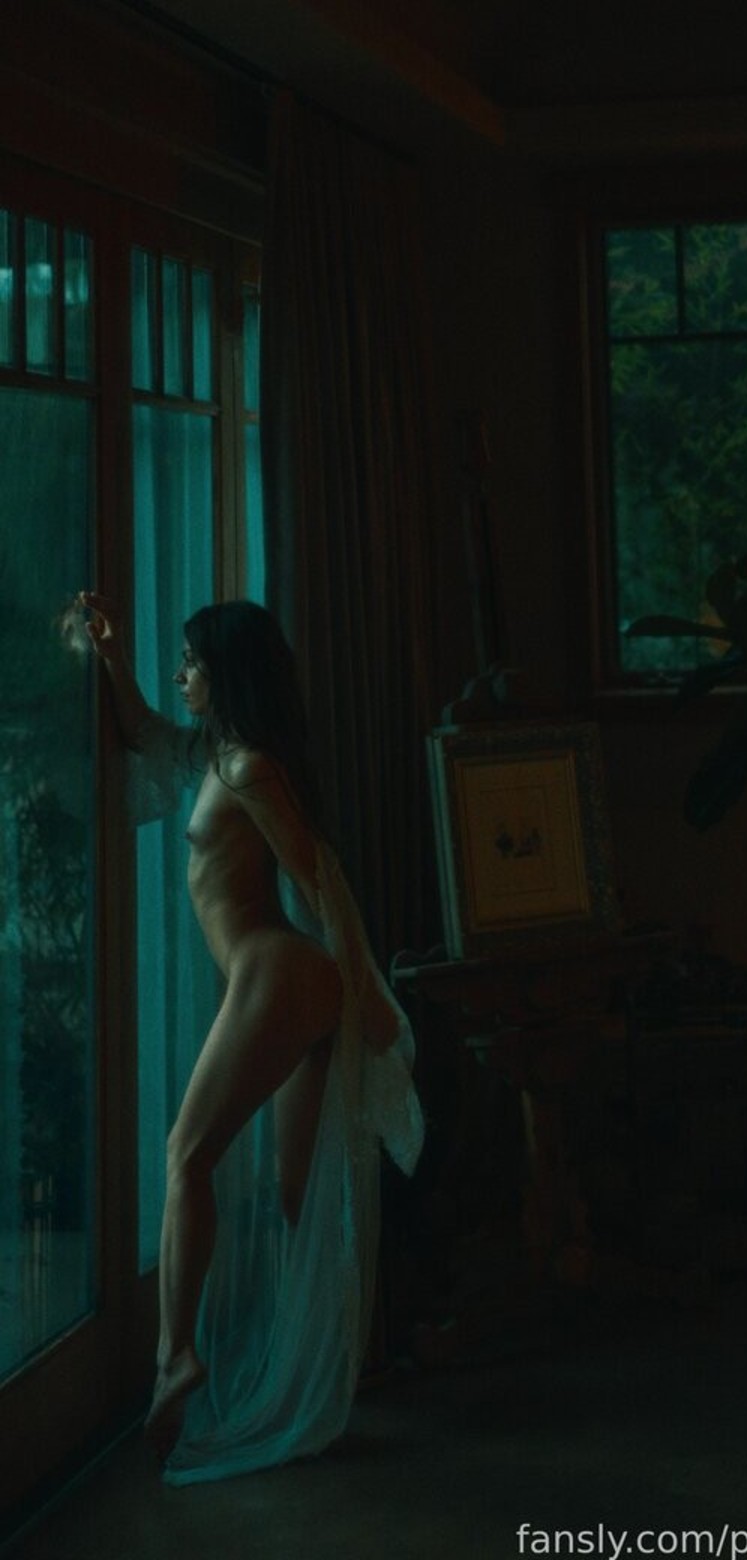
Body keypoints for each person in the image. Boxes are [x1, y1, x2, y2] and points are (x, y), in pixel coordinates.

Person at [78, 591, 423, 1481]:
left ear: (226, 672)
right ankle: (327, 1366)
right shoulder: (219, 757)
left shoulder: (248, 770)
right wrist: (109, 653)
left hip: (279, 971)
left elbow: (318, 876)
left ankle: (175, 1356)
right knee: (297, 1189)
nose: (181, 674)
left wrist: (369, 997)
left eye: (192, 661)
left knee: (186, 1156)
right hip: (283, 978)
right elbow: (144, 732)